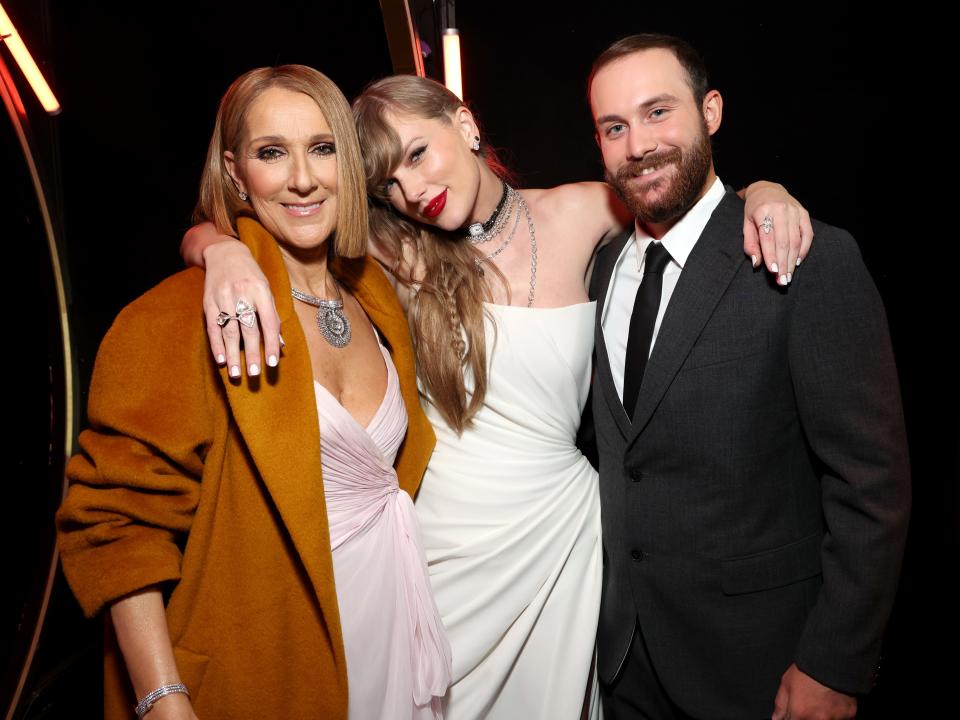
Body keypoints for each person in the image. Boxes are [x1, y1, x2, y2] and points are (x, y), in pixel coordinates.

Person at [182, 74, 811, 719]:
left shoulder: (586, 210)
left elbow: (692, 204)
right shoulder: (387, 248)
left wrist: (767, 192)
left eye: (418, 154)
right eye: (389, 185)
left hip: (559, 540)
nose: (414, 191)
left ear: (465, 123)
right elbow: (227, 223)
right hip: (440, 546)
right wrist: (222, 252)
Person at [56, 65, 450, 720]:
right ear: (236, 172)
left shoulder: (376, 296)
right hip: (268, 662)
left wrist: (214, 244)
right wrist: (162, 700)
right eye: (273, 153)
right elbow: (114, 524)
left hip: (392, 630)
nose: (303, 178)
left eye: (322, 148)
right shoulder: (178, 316)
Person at [587, 34, 910, 720]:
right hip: (621, 666)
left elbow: (871, 484)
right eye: (614, 127)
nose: (637, 144)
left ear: (711, 111)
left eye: (657, 113)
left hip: (761, 669)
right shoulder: (597, 267)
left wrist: (835, 662)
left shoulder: (805, 258)